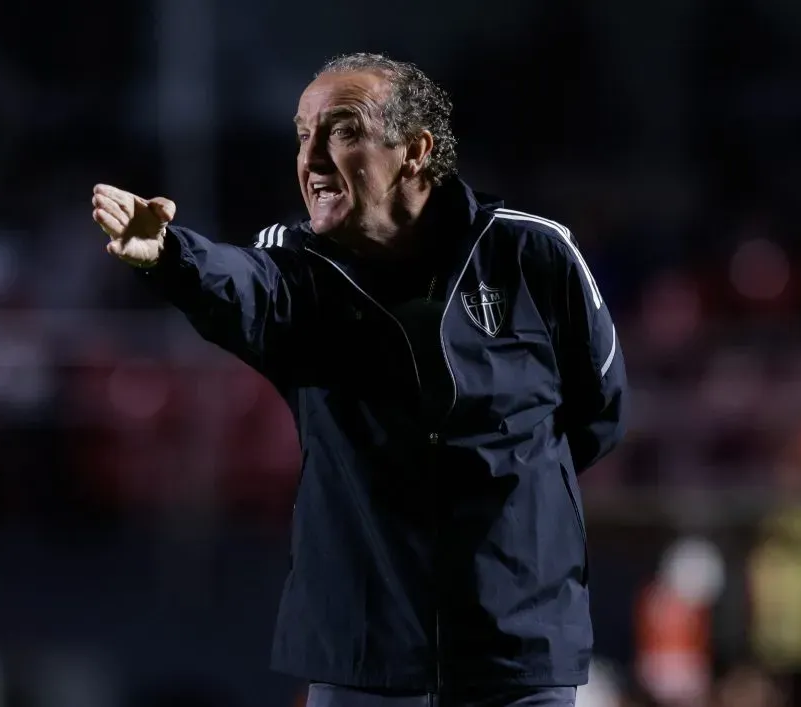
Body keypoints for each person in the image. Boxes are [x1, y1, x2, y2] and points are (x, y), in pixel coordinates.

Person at [91, 53, 628, 707]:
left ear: (415, 149)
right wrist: (172, 256)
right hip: (363, 656)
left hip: (517, 652)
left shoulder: (532, 253)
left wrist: (508, 512)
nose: (311, 158)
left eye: (342, 131)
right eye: (302, 133)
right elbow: (240, 286)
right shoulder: (294, 265)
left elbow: (598, 410)